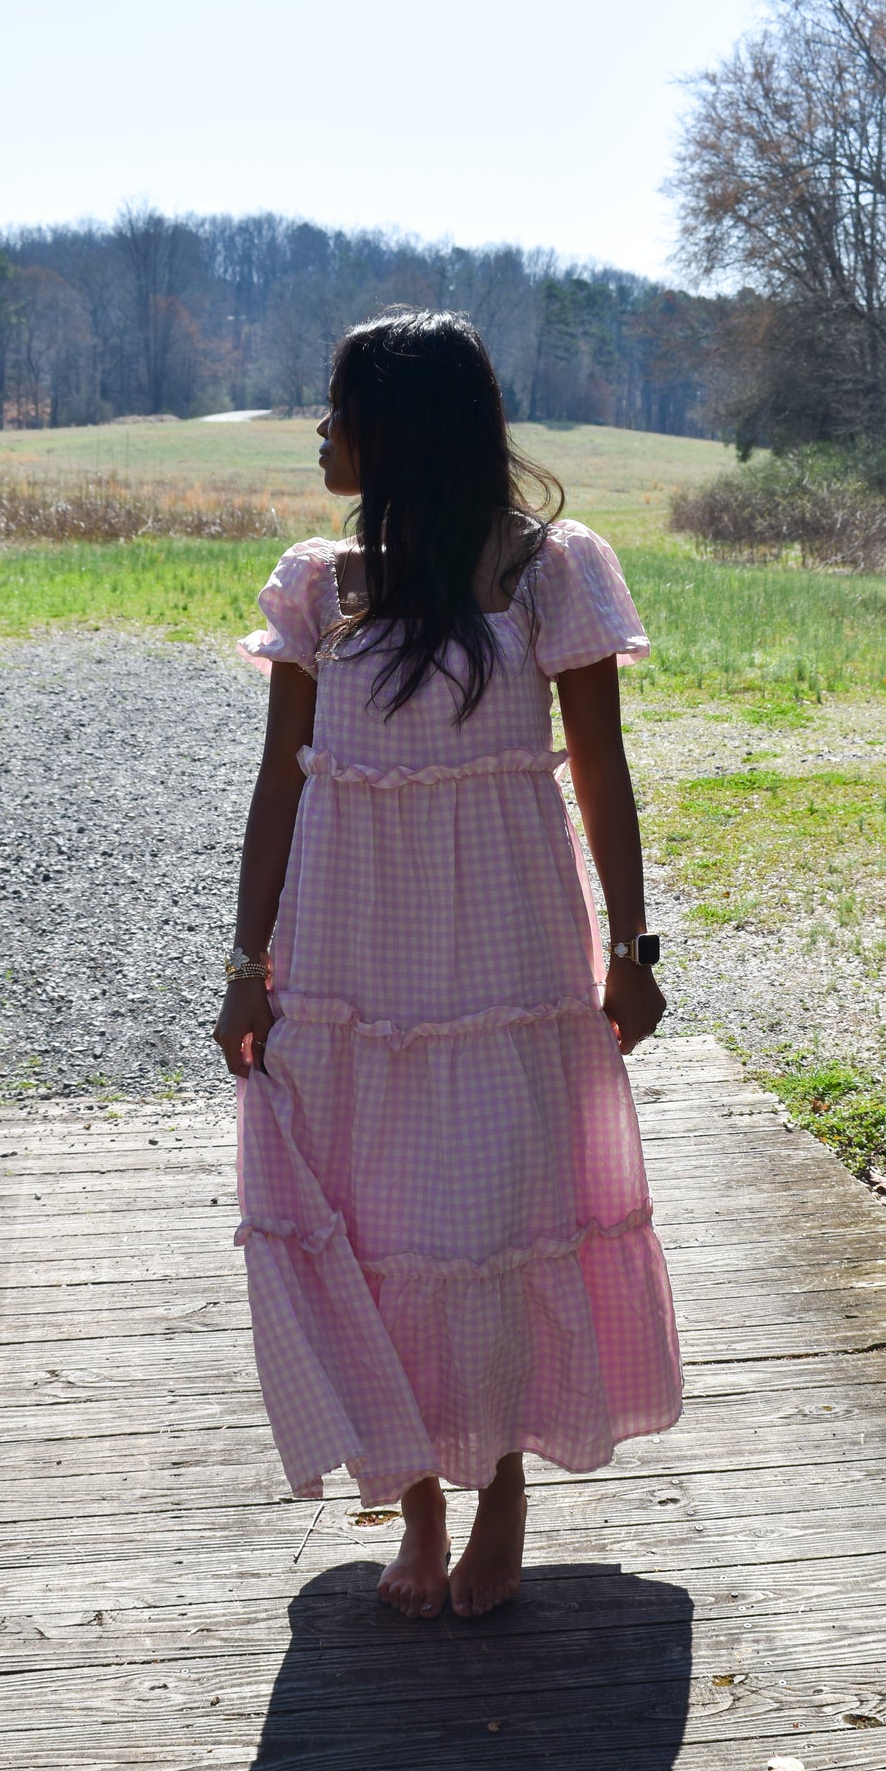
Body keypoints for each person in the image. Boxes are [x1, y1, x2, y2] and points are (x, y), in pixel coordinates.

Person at [214, 309, 681, 1622]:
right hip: (351, 969)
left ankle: (504, 1488)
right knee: (372, 1237)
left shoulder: (548, 570)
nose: (319, 432)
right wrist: (247, 962)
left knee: (495, 1225)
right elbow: (278, 790)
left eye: (336, 407)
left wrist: (634, 947)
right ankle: (414, 1494)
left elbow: (602, 775)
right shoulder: (319, 585)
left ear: (398, 429)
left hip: (506, 961)